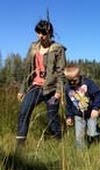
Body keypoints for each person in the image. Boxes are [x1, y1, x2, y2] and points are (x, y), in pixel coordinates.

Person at [16, 19, 66, 149]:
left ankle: (58, 143)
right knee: (24, 112)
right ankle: (20, 146)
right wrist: (22, 89)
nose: (40, 36)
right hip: (35, 86)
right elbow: (27, 70)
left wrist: (59, 91)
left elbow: (61, 72)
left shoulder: (58, 49)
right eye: (38, 33)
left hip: (51, 89)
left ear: (50, 34)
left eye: (43, 33)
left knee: (52, 119)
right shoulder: (33, 47)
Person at [64, 64, 100, 149]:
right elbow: (69, 104)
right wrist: (69, 116)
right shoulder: (67, 88)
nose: (72, 83)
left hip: (90, 113)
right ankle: (80, 152)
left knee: (92, 133)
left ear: (79, 76)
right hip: (78, 115)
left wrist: (96, 108)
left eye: (74, 80)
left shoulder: (88, 83)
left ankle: (98, 133)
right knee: (79, 136)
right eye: (69, 81)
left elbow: (99, 94)